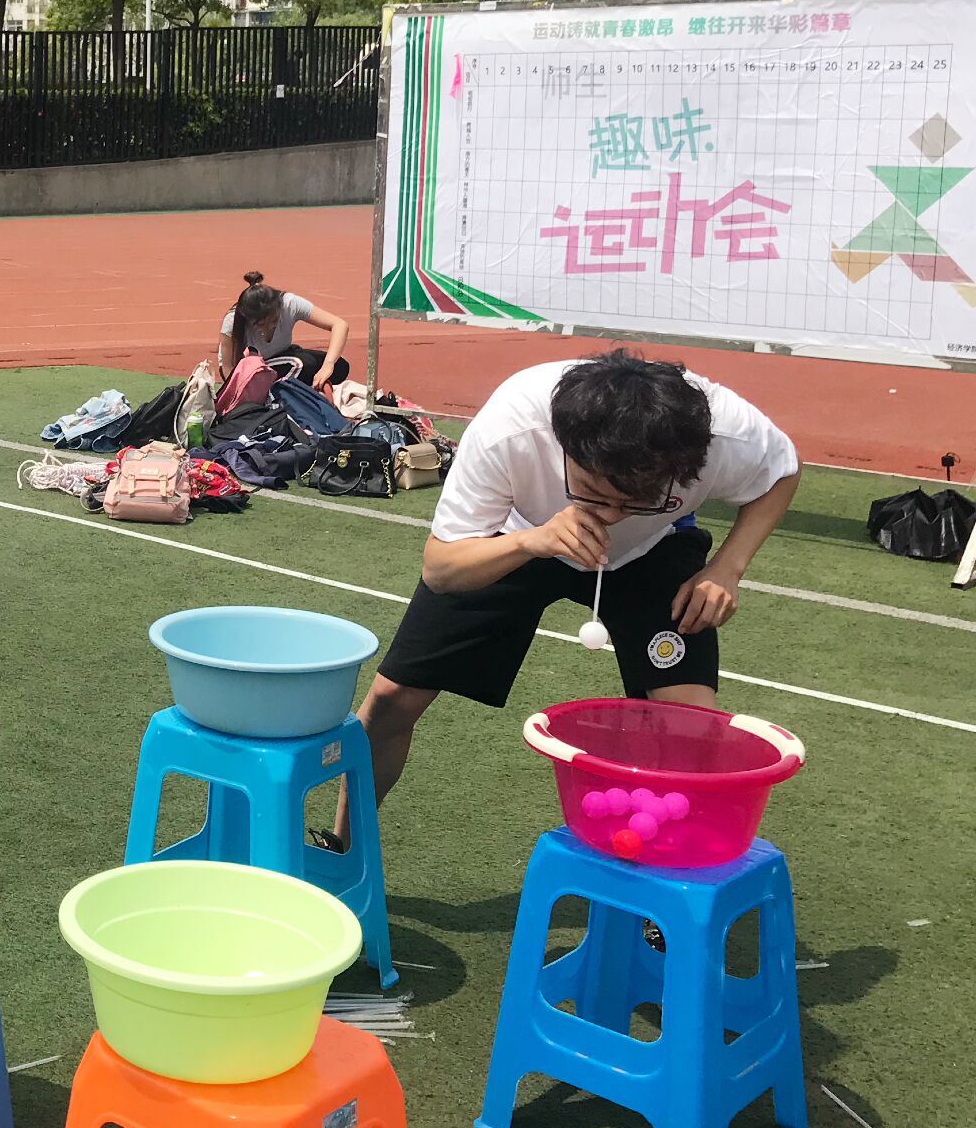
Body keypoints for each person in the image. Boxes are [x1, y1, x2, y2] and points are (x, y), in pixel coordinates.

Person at [336, 350, 799, 843]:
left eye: (636, 499)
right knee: (392, 698)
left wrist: (727, 567)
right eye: (594, 494)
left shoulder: (723, 433)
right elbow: (441, 568)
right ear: (564, 446)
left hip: (652, 548)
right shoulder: (512, 427)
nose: (611, 516)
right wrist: (530, 542)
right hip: (519, 533)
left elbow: (782, 472)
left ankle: (667, 872)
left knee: (690, 722)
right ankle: (345, 848)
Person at [217, 270, 350, 388]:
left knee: (339, 367)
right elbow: (227, 367)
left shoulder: (289, 303)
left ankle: (303, 391)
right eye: (260, 325)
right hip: (253, 371)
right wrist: (239, 391)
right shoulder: (232, 321)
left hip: (282, 356)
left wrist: (328, 365)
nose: (269, 327)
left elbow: (339, 325)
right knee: (302, 365)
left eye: (273, 321)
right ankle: (278, 397)